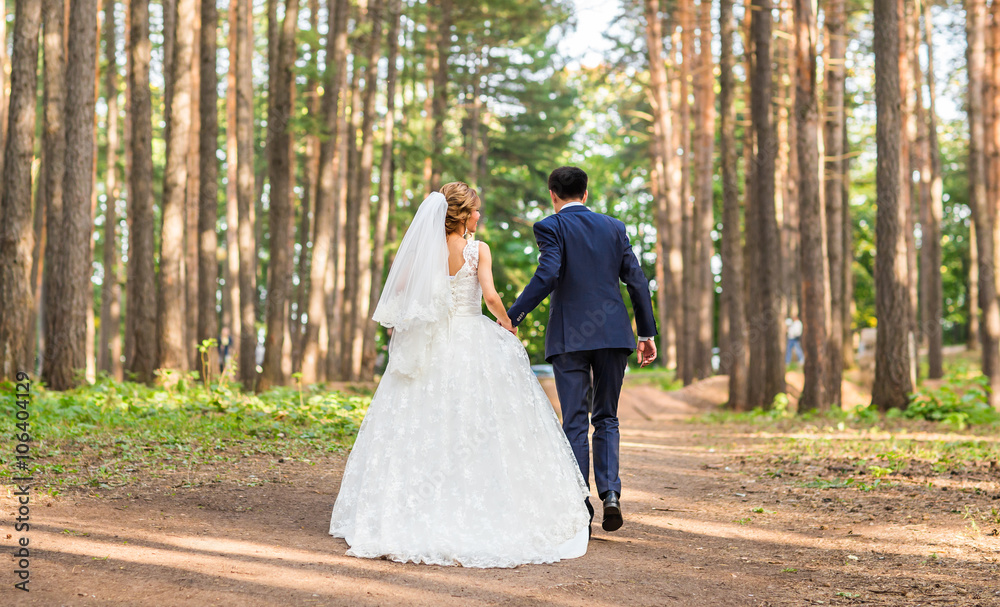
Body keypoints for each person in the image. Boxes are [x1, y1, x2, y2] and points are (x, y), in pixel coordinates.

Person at [329, 182, 591, 568]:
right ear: (465, 214)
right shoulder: (477, 249)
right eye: (477, 210)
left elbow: (400, 291)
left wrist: (412, 322)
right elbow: (489, 295)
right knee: (478, 420)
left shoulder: (423, 251)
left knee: (421, 420)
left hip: (432, 341)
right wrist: (506, 322)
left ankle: (410, 506)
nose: (480, 216)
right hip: (472, 338)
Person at [507, 166, 658, 535]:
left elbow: (549, 274)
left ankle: (579, 505)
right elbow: (636, 281)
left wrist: (515, 315)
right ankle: (610, 494)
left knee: (574, 420)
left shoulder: (550, 226)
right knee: (606, 418)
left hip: (570, 338)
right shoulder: (614, 227)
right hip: (613, 335)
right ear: (586, 193)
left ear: (553, 194)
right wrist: (646, 333)